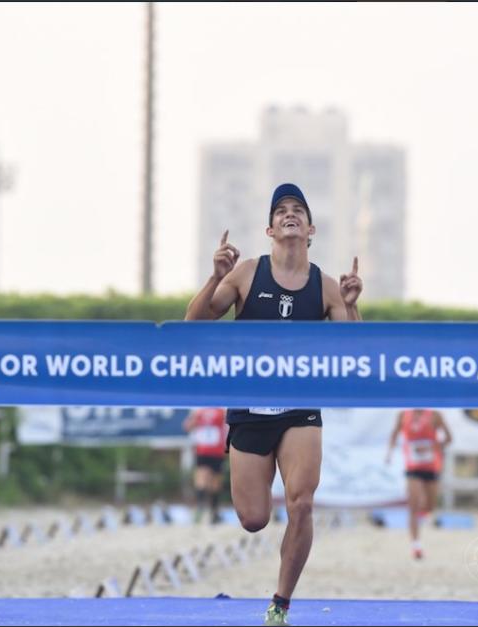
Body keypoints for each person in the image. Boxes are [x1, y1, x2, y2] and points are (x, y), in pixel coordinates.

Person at [185, 182, 363, 626]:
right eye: (281, 210)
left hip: (300, 407)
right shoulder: (246, 273)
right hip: (250, 406)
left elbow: (354, 350)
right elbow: (194, 323)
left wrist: (352, 305)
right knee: (253, 519)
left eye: (298, 210)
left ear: (310, 229)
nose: (289, 214)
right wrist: (213, 276)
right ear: (269, 228)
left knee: (301, 503)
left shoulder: (324, 286)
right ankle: (275, 587)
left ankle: (280, 604)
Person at [385, 409, 452, 560]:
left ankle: (424, 512)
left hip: (432, 466)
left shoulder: (435, 415)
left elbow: (449, 438)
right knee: (413, 506)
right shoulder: (403, 415)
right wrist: (389, 453)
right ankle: (416, 546)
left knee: (430, 506)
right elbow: (394, 434)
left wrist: (431, 447)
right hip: (413, 467)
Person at [183, 407, 229, 524]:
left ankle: (205, 510)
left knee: (208, 481)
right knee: (210, 481)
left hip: (209, 450)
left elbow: (187, 426)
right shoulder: (214, 411)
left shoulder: (203, 411)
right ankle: (208, 511)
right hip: (210, 450)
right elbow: (188, 426)